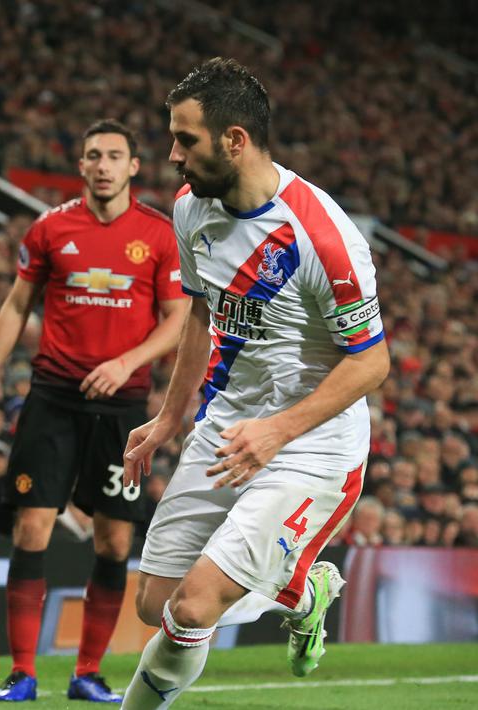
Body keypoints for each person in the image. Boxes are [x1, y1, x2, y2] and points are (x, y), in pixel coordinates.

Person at [118, 58, 389, 708]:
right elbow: (199, 312)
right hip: (226, 428)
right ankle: (301, 590)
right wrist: (168, 417)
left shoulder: (322, 237)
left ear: (233, 140)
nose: (171, 154)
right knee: (153, 603)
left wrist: (276, 430)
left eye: (185, 139)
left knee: (193, 606)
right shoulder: (190, 211)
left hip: (309, 447)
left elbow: (370, 362)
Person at [0, 119, 189, 703]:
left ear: (134, 166)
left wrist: (125, 362)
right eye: (94, 155)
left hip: (123, 409)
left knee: (113, 543)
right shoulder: (50, 228)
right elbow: (15, 308)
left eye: (116, 155)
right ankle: (22, 672)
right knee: (31, 528)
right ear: (81, 166)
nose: (105, 164)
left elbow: (178, 319)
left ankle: (87, 672)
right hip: (53, 399)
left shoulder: (159, 236)